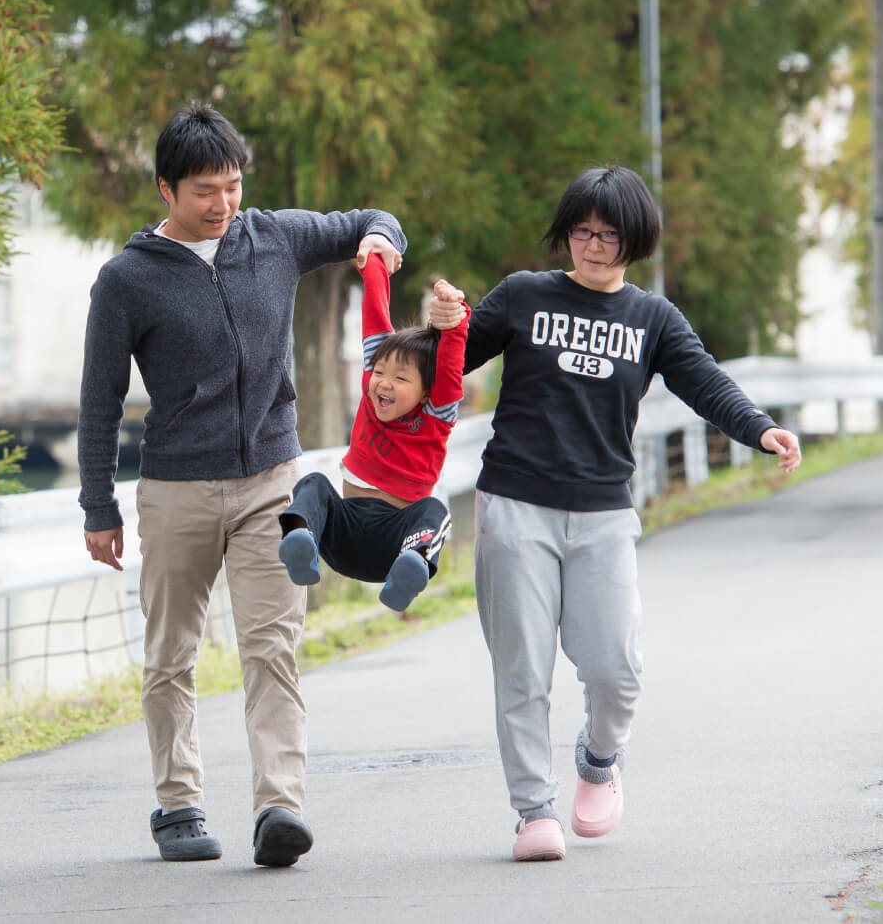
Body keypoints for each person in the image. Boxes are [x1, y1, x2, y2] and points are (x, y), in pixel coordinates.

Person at [434, 165, 802, 862]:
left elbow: (705, 380)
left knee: (616, 668)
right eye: (581, 231)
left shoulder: (651, 318)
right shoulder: (522, 295)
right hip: (514, 504)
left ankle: (599, 759)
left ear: (634, 241)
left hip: (602, 512)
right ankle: (533, 810)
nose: (592, 246)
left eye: (608, 235)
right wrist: (433, 334)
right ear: (565, 232)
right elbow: (445, 363)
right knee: (522, 668)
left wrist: (759, 429)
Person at [76, 101, 407, 867]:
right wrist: (98, 505)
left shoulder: (275, 238)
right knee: (171, 654)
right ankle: (178, 803)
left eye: (231, 185)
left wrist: (383, 240)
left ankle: (279, 807)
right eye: (204, 191)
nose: (223, 204)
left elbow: (373, 218)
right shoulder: (126, 280)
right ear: (165, 189)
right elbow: (99, 400)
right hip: (176, 489)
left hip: (272, 484)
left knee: (273, 646)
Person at [277, 257, 469, 613]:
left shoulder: (434, 418)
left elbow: (451, 367)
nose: (384, 382)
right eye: (380, 371)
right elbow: (376, 320)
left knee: (434, 509)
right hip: (342, 536)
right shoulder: (371, 393)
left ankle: (415, 565)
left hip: (393, 545)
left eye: (401, 379)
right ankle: (300, 538)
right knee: (315, 484)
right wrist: (374, 264)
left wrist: (455, 317)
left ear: (427, 392)